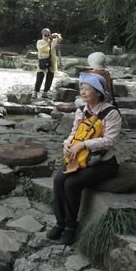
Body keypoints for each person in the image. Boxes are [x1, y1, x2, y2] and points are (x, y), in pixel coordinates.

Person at [46, 72, 121, 245]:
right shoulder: (81, 111)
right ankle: (60, 223)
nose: (83, 91)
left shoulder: (111, 113)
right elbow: (73, 134)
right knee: (59, 180)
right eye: (82, 88)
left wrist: (84, 145)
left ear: (99, 93)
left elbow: (110, 141)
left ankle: (71, 227)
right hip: (79, 158)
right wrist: (67, 143)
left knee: (71, 183)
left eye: (88, 89)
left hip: (103, 163)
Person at [33, 28, 62, 99]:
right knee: (40, 77)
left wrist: (57, 35)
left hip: (51, 61)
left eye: (48, 34)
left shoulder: (53, 41)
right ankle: (35, 92)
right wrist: (48, 44)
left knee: (50, 77)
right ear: (42, 34)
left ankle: (45, 92)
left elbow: (60, 39)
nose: (47, 35)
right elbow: (40, 49)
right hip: (43, 60)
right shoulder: (39, 41)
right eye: (45, 34)